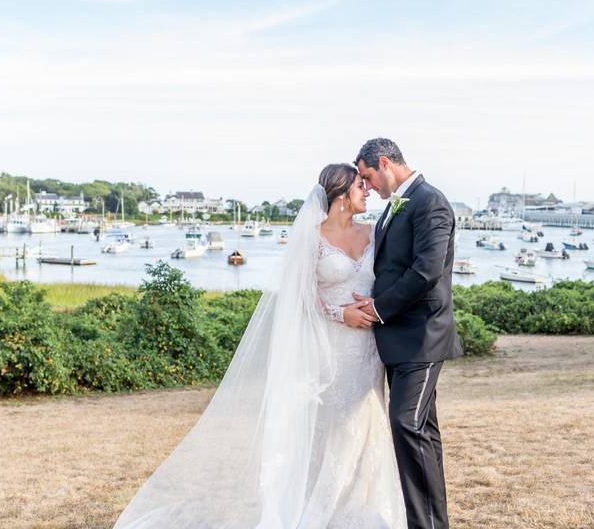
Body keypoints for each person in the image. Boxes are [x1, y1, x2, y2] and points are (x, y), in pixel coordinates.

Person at [112, 163, 406, 528]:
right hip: (330, 347)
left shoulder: (374, 233)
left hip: (368, 351)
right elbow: (297, 296)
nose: (368, 190)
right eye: (360, 185)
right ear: (341, 194)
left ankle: (362, 509)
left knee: (365, 425)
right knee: (330, 429)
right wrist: (338, 313)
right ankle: (321, 508)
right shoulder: (312, 238)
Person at [348, 137, 463, 529]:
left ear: (384, 162)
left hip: (423, 337)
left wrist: (379, 308)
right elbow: (392, 267)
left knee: (406, 424)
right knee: (422, 430)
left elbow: (426, 271)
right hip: (398, 340)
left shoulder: (431, 202)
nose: (368, 186)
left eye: (367, 176)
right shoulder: (394, 208)